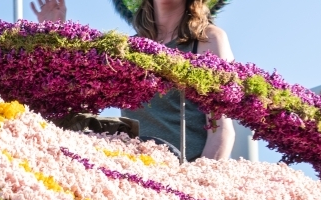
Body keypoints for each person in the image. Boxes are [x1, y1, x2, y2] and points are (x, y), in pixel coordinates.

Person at [34, 0, 235, 161]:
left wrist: (194, 184)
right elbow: (76, 94)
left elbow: (221, 131)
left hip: (183, 175)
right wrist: (54, 34)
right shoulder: (127, 50)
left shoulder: (208, 40)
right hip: (135, 174)